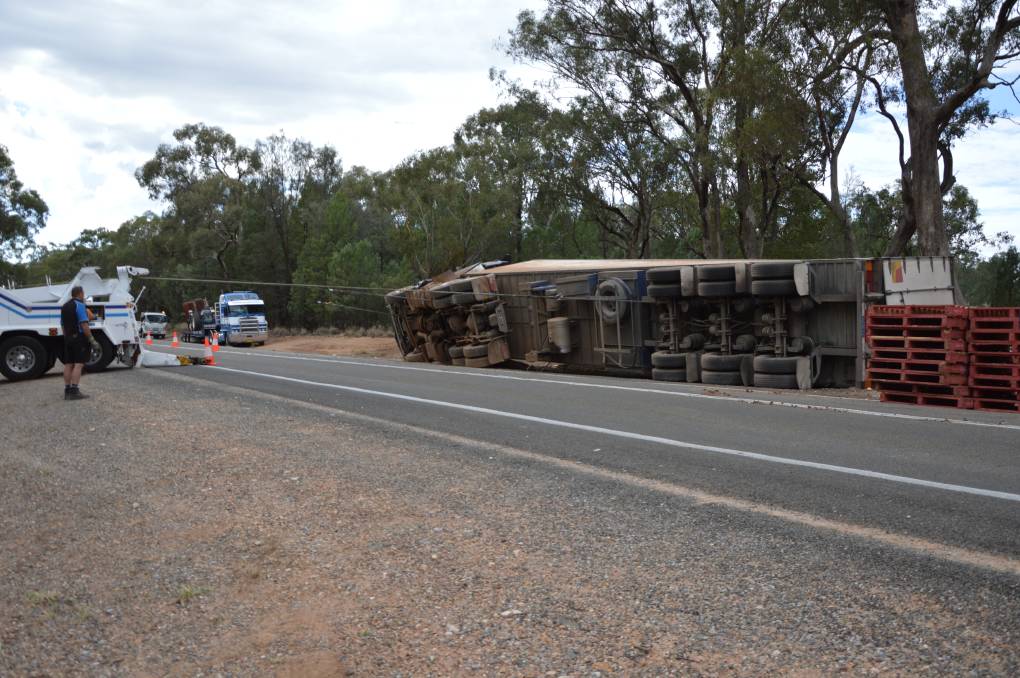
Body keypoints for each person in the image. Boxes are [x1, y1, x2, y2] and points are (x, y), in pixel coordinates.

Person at [60, 285, 100, 400]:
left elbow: (62, 324)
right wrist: (92, 340)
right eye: (83, 293)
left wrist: (67, 337)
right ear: (80, 293)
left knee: (68, 364)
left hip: (68, 338)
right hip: (79, 338)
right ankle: (74, 391)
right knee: (79, 364)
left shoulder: (64, 306)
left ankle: (67, 391)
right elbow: (84, 324)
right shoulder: (80, 305)